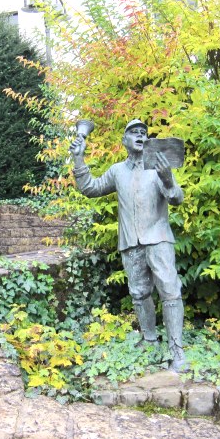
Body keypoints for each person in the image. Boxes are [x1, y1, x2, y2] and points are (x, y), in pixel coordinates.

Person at [69, 119, 187, 371]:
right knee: (138, 293)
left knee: (170, 290)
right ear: (124, 141)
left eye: (144, 132)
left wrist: (168, 180)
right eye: (134, 133)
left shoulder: (157, 167)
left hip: (158, 239)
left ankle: (177, 350)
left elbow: (177, 198)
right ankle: (149, 340)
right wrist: (78, 160)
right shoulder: (116, 171)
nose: (140, 136)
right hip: (130, 241)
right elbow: (90, 188)